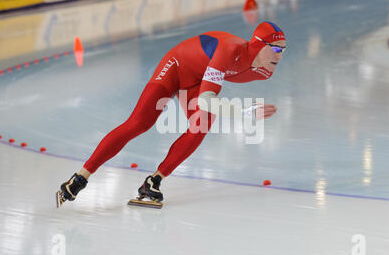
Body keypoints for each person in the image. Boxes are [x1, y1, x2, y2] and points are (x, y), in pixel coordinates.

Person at [56, 21, 285, 207]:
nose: (280, 55)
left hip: (198, 79)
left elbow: (208, 94)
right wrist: (244, 112)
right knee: (139, 123)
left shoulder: (264, 72)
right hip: (175, 66)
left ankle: (153, 181)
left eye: (283, 50)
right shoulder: (230, 49)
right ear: (258, 45)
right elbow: (207, 100)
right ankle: (79, 178)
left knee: (200, 127)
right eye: (275, 48)